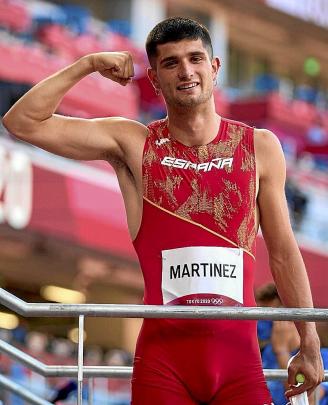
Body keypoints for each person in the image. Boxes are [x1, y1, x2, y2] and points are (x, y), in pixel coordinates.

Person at [2, 16, 323, 405]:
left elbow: (284, 252)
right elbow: (22, 121)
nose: (186, 71)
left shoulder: (259, 147)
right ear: (154, 80)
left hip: (239, 363)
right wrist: (87, 64)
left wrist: (308, 338)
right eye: (171, 63)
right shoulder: (133, 143)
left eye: (195, 58)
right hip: (163, 364)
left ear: (214, 67)